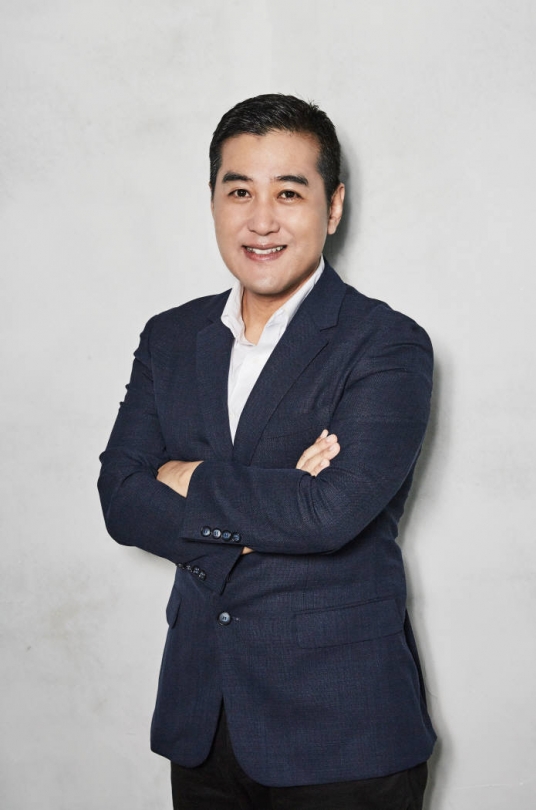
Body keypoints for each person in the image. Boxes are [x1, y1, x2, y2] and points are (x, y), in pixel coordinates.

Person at [98, 93, 436, 809]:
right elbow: (121, 500)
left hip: (344, 732)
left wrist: (185, 475)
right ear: (213, 201)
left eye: (288, 192)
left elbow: (328, 515)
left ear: (332, 206)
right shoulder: (170, 337)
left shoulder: (385, 343)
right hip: (204, 720)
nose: (261, 221)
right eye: (239, 191)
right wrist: (276, 501)